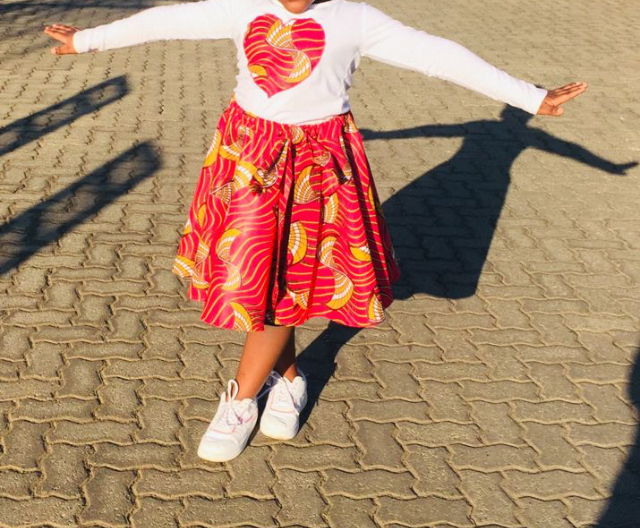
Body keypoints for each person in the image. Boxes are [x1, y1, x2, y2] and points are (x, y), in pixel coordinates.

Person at [44, 0, 587, 462]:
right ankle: (290, 379)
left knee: (285, 277)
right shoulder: (244, 8)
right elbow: (168, 21)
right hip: (249, 160)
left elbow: (438, 55)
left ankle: (242, 399)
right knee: (262, 277)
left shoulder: (354, 18)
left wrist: (530, 97)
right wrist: (86, 40)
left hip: (318, 168)